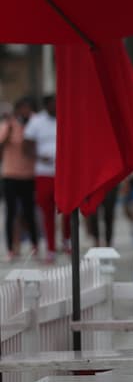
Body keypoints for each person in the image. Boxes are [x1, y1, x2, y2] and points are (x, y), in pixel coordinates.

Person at [24, 95, 65, 261]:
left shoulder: (65, 118)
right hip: (44, 173)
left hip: (63, 173)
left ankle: (67, 242)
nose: (55, 107)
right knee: (47, 212)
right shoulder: (36, 121)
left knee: (68, 209)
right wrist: (41, 158)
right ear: (46, 105)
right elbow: (26, 147)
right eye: (52, 105)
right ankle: (51, 249)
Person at [1, 96, 36, 260]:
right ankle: (10, 248)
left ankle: (34, 245)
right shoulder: (8, 125)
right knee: (11, 212)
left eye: (27, 109)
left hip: (29, 175)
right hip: (11, 175)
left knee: (29, 212)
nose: (25, 112)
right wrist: (8, 129)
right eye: (22, 109)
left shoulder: (34, 123)